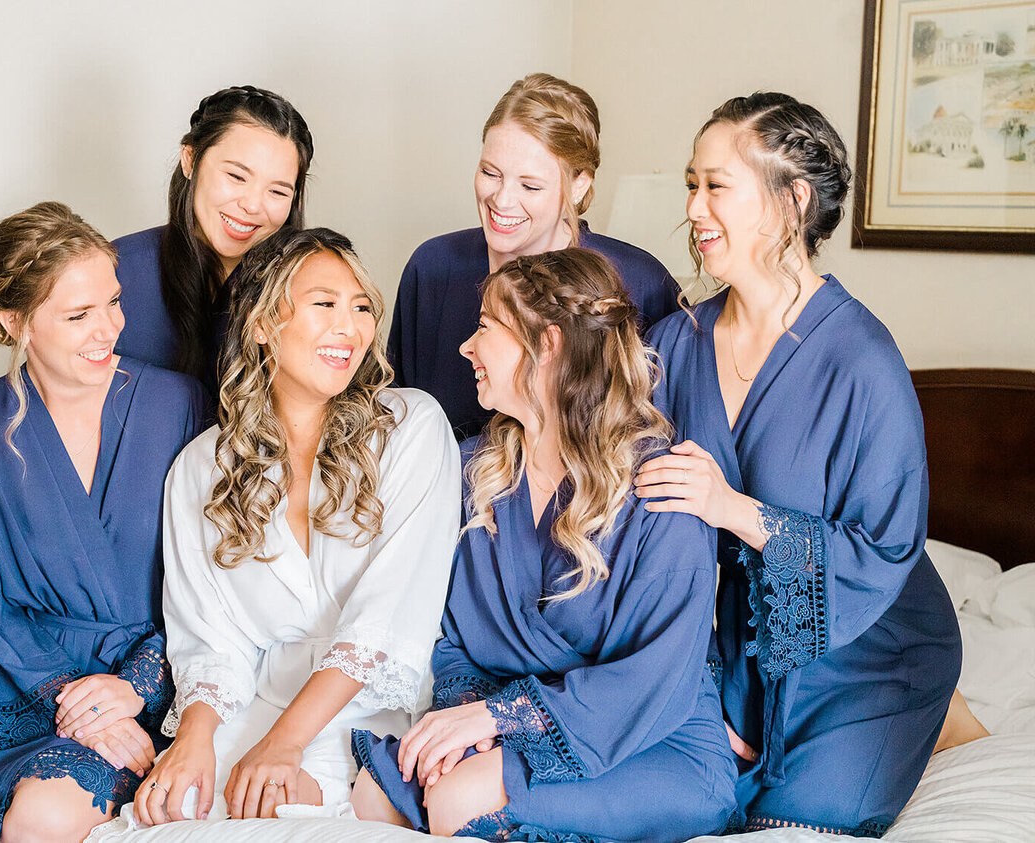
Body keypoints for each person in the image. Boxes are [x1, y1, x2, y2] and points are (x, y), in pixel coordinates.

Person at [638, 93, 964, 836]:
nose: (693, 207)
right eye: (692, 184)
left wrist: (731, 508)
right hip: (730, 640)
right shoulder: (674, 344)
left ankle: (935, 711)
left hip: (868, 648)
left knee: (794, 819)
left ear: (791, 202)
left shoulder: (863, 363)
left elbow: (883, 552)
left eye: (716, 186)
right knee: (681, 792)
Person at [352, 249, 736, 842]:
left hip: (650, 739)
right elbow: (448, 637)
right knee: (376, 793)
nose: (465, 348)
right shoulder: (471, 472)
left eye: (485, 328)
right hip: (506, 725)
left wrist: (498, 719)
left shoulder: (661, 488)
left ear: (548, 344)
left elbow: (656, 674)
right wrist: (472, 724)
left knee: (458, 799)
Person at [126, 228, 460, 827]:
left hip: (366, 713)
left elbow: (385, 620)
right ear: (259, 324)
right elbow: (209, 638)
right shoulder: (203, 468)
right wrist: (193, 741)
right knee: (175, 809)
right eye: (324, 304)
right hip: (248, 707)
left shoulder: (411, 426)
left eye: (361, 308)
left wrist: (285, 743)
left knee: (285, 811)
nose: (350, 327)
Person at [0, 202, 207, 842]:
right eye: (78, 315)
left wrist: (138, 688)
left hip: (159, 678)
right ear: (17, 323)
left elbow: (212, 576)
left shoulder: (178, 404)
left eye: (114, 302)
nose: (108, 330)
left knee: (44, 812)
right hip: (32, 692)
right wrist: (81, 708)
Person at [0, 84, 312, 527]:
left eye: (278, 191)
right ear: (190, 160)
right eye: (237, 176)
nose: (252, 205)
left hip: (265, 526)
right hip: (132, 538)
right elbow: (45, 391)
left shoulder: (311, 292)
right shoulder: (112, 275)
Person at [388, 72, 679, 440]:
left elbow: (656, 433)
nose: (503, 200)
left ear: (579, 185)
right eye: (490, 173)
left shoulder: (640, 283)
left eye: (530, 185)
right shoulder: (433, 267)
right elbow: (399, 421)